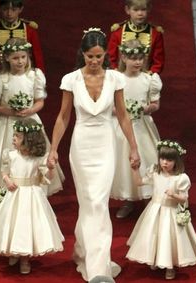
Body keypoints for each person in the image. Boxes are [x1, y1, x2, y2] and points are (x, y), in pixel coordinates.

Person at [47, 27, 140, 282]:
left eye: (99, 56)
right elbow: (63, 117)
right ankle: (84, 253)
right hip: (81, 146)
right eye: (90, 56)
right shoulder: (71, 80)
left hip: (106, 146)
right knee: (88, 202)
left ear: (106, 55)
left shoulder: (115, 79)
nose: (95, 61)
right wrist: (53, 150)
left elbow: (122, 115)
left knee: (98, 203)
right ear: (83, 54)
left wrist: (133, 147)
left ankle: (97, 268)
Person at [0, 37, 64, 200]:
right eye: (15, 58)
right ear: (6, 58)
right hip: (6, 124)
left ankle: (31, 187)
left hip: (30, 122)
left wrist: (29, 110)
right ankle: (2, 191)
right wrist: (10, 110)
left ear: (28, 56)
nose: (20, 61)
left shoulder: (34, 76)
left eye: (23, 57)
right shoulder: (1, 77)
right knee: (5, 156)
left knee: (31, 155)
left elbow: (40, 101)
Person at [0, 118, 64, 274]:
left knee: (26, 225)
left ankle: (25, 258)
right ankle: (14, 252)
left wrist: (50, 168)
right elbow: (4, 170)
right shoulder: (10, 155)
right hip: (13, 194)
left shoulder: (38, 159)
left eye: (17, 136)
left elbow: (46, 180)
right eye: (13, 136)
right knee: (11, 223)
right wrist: (7, 180)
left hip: (31, 195)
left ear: (29, 140)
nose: (13, 139)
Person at [126, 140, 196, 280]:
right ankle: (156, 259)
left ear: (176, 161)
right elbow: (139, 182)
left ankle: (170, 266)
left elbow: (184, 198)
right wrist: (135, 170)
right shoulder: (155, 173)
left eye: (169, 160)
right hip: (155, 210)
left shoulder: (180, 178)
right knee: (154, 235)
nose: (165, 163)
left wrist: (174, 195)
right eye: (162, 159)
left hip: (171, 212)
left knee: (169, 238)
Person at [111, 39, 162, 218]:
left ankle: (150, 200)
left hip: (142, 126)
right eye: (133, 58)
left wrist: (145, 108)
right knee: (124, 164)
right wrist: (119, 111)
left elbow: (155, 104)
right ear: (124, 58)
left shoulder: (149, 79)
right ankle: (129, 200)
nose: (138, 62)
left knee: (147, 160)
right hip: (121, 127)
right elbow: (109, 104)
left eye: (140, 58)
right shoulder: (116, 78)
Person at [0, 0, 45, 104]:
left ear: (20, 9)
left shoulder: (29, 29)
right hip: (2, 78)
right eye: (5, 9)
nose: (9, 13)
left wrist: (40, 82)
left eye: (13, 9)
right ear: (0, 9)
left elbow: (37, 57)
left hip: (25, 77)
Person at [108, 0, 165, 73]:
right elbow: (111, 58)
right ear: (127, 10)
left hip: (146, 79)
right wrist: (116, 74)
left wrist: (149, 76)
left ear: (148, 9)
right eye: (135, 10)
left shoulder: (155, 33)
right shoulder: (118, 32)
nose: (140, 13)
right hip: (121, 79)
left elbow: (158, 63)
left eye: (143, 9)